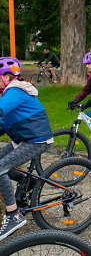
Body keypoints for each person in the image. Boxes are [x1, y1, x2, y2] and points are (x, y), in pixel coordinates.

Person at [0, 57, 53, 240]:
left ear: (6, 77)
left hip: (37, 140)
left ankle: (13, 215)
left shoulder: (14, 91)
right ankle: (26, 181)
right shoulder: (9, 93)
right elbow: (3, 123)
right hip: (24, 139)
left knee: (0, 169)